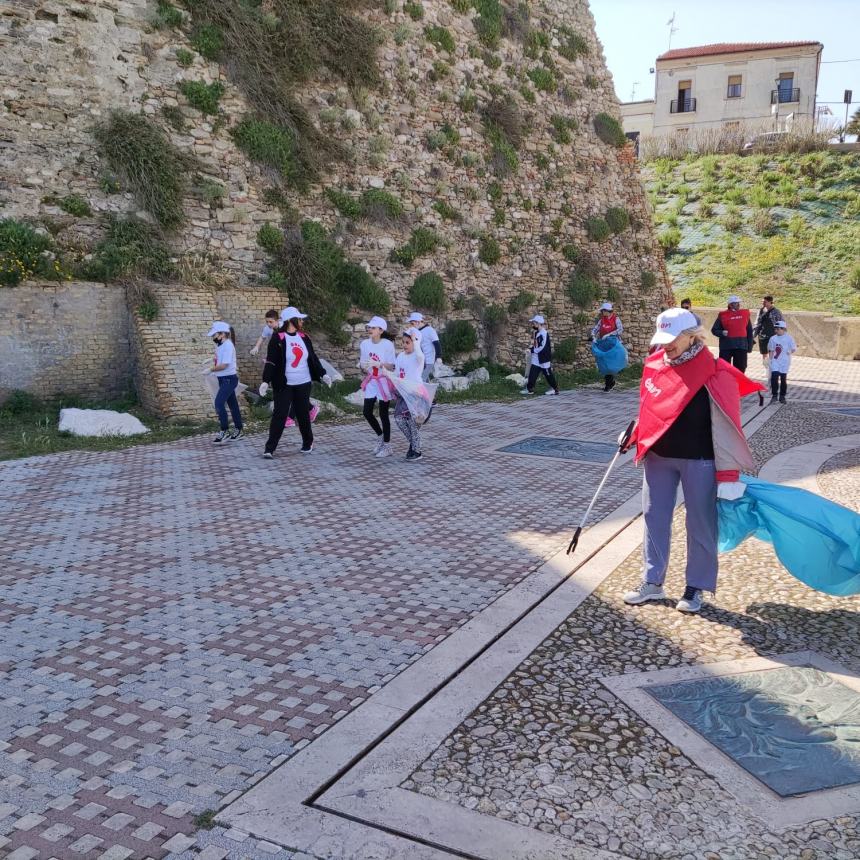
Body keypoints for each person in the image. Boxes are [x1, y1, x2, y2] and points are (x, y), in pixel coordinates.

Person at [621, 308, 765, 613]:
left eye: (673, 338)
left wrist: (728, 475)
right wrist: (634, 429)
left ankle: (695, 587)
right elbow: (651, 408)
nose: (666, 345)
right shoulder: (655, 365)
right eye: (662, 338)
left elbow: (730, 425)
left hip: (700, 459)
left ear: (692, 336)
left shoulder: (716, 371)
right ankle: (652, 582)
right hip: (659, 456)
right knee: (653, 517)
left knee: (700, 523)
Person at [259, 306, 330, 458]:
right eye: (299, 319)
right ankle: (269, 448)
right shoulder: (278, 338)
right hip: (284, 384)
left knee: (302, 413)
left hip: (303, 382)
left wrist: (323, 374)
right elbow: (271, 361)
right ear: (291, 321)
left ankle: (307, 442)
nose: (301, 321)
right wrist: (265, 381)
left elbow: (313, 358)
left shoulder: (304, 337)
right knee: (280, 414)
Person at [359, 316, 397, 458]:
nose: (370, 330)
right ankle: (381, 437)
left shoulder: (387, 345)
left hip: (383, 381)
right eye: (369, 327)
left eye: (373, 328)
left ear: (381, 330)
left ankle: (387, 446)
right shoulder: (364, 344)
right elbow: (363, 364)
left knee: (383, 414)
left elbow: (392, 365)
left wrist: (380, 364)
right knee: (367, 411)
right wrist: (364, 366)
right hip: (371, 381)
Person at [386, 328, 426, 461]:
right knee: (399, 419)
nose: (404, 345)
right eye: (403, 342)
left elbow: (420, 357)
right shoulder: (401, 356)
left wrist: (416, 342)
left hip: (415, 393)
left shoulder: (417, 356)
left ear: (414, 343)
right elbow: (398, 373)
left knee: (412, 422)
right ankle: (415, 445)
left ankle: (417, 451)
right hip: (403, 393)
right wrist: (387, 374)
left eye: (407, 342)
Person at [206, 321, 244, 443]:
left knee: (218, 403)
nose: (213, 337)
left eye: (215, 335)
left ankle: (224, 431)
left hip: (229, 379)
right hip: (222, 379)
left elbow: (224, 365)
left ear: (222, 334)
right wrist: (211, 360)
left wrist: (211, 369)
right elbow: (219, 359)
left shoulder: (228, 345)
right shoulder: (220, 345)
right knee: (233, 405)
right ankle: (239, 430)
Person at [711, 295, 753, 373]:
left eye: (738, 303)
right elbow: (714, 330)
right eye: (736, 303)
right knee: (724, 369)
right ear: (730, 305)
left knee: (740, 369)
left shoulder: (745, 314)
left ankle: (739, 384)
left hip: (741, 346)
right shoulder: (722, 315)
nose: (738, 305)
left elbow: (749, 331)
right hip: (726, 347)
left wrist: (749, 346)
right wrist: (722, 332)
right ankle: (726, 384)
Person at [520, 314, 559, 396]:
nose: (533, 325)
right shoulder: (537, 333)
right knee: (532, 373)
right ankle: (530, 389)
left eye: (534, 323)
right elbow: (536, 345)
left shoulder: (544, 333)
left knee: (548, 374)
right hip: (536, 357)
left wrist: (531, 350)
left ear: (538, 323)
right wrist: (531, 349)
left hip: (543, 357)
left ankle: (555, 389)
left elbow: (542, 347)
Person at [591, 302, 624, 391]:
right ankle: (609, 383)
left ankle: (609, 383)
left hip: (614, 345)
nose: (602, 312)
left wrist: (609, 334)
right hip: (604, 344)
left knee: (611, 364)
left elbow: (620, 329)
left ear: (607, 311)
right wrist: (593, 336)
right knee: (605, 363)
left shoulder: (616, 319)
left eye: (602, 311)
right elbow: (595, 329)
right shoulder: (602, 320)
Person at [753, 295, 784, 379]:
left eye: (765, 302)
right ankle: (766, 370)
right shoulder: (761, 311)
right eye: (762, 301)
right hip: (762, 336)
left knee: (773, 354)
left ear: (770, 302)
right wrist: (753, 335)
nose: (763, 303)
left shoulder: (776, 312)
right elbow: (757, 323)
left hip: (773, 336)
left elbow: (782, 323)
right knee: (764, 354)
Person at [767, 319, 796, 404]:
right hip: (775, 361)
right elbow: (771, 350)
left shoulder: (789, 338)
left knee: (783, 379)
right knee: (774, 377)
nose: (776, 330)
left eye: (778, 329)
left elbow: (793, 348)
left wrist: (790, 351)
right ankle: (774, 395)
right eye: (775, 329)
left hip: (785, 361)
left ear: (783, 329)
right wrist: (770, 360)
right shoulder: (773, 338)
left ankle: (782, 396)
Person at [407, 312, 442, 382]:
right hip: (421, 360)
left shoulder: (430, 330)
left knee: (422, 379)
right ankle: (428, 391)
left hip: (429, 360)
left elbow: (436, 343)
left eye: (412, 323)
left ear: (418, 322)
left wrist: (439, 356)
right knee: (424, 379)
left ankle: (423, 392)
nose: (411, 325)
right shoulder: (417, 331)